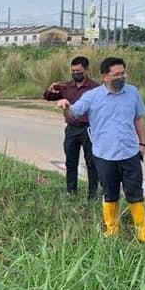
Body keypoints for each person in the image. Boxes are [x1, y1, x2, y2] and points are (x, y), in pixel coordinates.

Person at [55, 56, 145, 243]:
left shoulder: (132, 93)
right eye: (116, 74)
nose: (121, 77)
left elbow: (139, 119)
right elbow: (73, 114)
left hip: (130, 152)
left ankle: (143, 232)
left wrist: (143, 144)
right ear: (105, 76)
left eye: (123, 73)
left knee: (135, 192)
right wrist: (65, 108)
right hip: (104, 154)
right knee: (110, 193)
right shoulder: (92, 97)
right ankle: (112, 229)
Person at [43, 56, 100, 198]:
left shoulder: (96, 88)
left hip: (89, 129)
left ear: (86, 70)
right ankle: (71, 191)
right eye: (73, 71)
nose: (76, 74)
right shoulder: (66, 86)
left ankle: (92, 194)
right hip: (72, 128)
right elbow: (49, 97)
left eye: (79, 71)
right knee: (70, 161)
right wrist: (50, 90)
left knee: (91, 163)